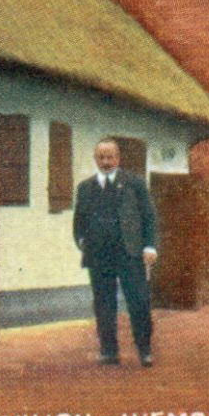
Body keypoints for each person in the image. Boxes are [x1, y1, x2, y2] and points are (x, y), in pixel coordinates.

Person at [73, 138, 158, 367]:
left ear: (118, 159)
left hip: (129, 253)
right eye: (101, 157)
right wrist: (82, 241)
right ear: (95, 159)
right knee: (103, 303)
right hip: (99, 255)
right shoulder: (85, 188)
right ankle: (109, 351)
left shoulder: (135, 184)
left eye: (110, 157)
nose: (106, 162)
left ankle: (145, 350)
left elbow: (148, 216)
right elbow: (79, 221)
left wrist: (149, 246)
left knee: (138, 301)